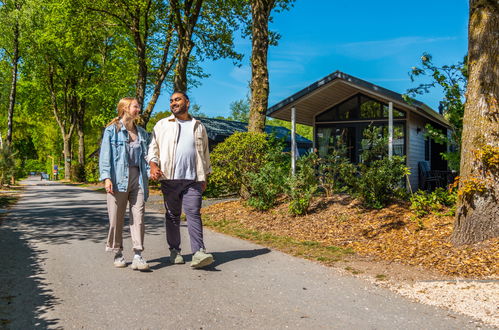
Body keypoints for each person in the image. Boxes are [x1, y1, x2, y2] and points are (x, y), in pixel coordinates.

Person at [147, 91, 214, 269]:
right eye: (171, 101)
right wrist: (153, 167)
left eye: (177, 100)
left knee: (193, 213)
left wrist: (205, 176)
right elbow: (153, 150)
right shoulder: (162, 125)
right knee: (172, 216)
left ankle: (199, 252)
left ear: (187, 102)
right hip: (169, 178)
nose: (173, 103)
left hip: (193, 179)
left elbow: (205, 153)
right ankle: (175, 251)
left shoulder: (198, 126)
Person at [99, 97, 150, 271]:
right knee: (116, 218)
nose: (139, 109)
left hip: (138, 177)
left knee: (139, 217)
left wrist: (153, 171)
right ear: (126, 108)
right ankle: (118, 252)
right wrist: (106, 178)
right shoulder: (112, 130)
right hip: (117, 177)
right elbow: (105, 156)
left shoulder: (142, 133)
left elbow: (147, 157)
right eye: (136, 106)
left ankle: (138, 255)